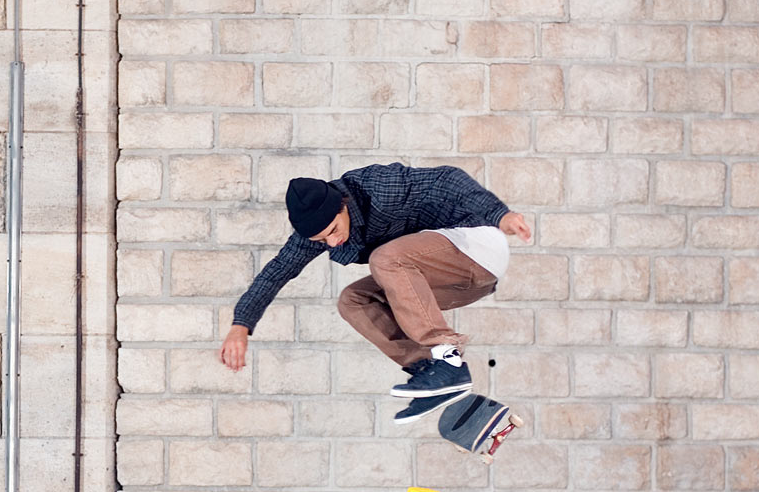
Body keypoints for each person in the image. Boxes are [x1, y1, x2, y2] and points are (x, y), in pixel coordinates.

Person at [219, 163, 532, 424]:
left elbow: (447, 179)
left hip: (476, 243)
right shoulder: (315, 235)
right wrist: (240, 325)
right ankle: (430, 370)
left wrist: (499, 214)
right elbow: (278, 271)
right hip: (452, 278)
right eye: (321, 240)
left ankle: (448, 361)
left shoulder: (380, 188)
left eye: (332, 232)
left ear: (342, 205)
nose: (331, 243)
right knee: (353, 300)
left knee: (385, 259)